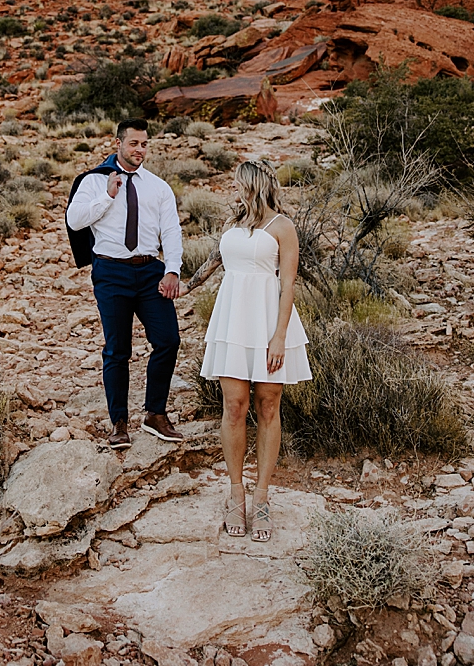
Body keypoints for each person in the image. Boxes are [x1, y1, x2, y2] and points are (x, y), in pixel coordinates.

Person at [186, 159, 311, 543]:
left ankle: (261, 499)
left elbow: (287, 285)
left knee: (268, 407)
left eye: (239, 185)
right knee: (234, 406)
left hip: (268, 322)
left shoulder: (283, 227)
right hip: (233, 322)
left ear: (253, 186)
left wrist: (279, 336)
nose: (234, 191)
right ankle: (235, 494)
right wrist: (179, 287)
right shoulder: (233, 226)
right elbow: (212, 265)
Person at [65, 117, 186, 449]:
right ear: (118, 143)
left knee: (168, 340)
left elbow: (172, 231)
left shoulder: (158, 187)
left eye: (145, 143)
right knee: (118, 350)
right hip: (110, 272)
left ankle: (155, 414)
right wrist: (107, 196)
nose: (140, 150)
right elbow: (74, 220)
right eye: (134, 143)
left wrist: (172, 270)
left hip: (150, 272)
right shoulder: (94, 181)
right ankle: (118, 422)